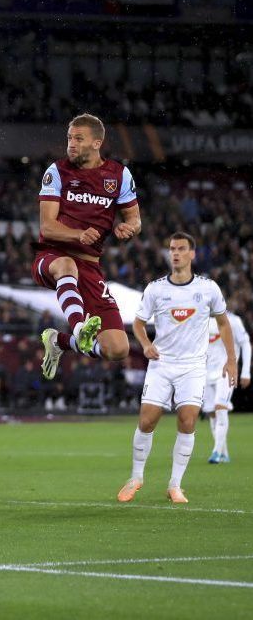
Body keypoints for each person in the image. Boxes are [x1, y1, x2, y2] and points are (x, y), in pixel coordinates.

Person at [119, 233, 237, 504]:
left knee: (187, 421)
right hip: (161, 364)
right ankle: (136, 478)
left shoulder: (208, 288)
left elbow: (223, 323)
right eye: (172, 249)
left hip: (193, 367)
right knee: (146, 421)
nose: (175, 253)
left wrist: (231, 360)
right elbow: (138, 323)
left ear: (192, 254)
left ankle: (175, 484)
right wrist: (146, 344)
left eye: (181, 249)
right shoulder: (156, 289)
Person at [35, 114, 141, 378]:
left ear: (97, 143)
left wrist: (129, 227)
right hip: (52, 256)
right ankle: (79, 328)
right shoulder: (57, 171)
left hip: (90, 267)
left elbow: (135, 219)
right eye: (69, 138)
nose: (71, 144)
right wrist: (77, 234)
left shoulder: (118, 175)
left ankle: (60, 341)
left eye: (78, 139)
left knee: (118, 349)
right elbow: (47, 227)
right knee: (67, 264)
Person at [204, 309, 251, 463]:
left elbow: (245, 344)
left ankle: (216, 453)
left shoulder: (233, 320)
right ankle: (224, 453)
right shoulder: (202, 319)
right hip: (205, 373)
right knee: (211, 412)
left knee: (220, 407)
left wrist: (245, 372)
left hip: (226, 371)